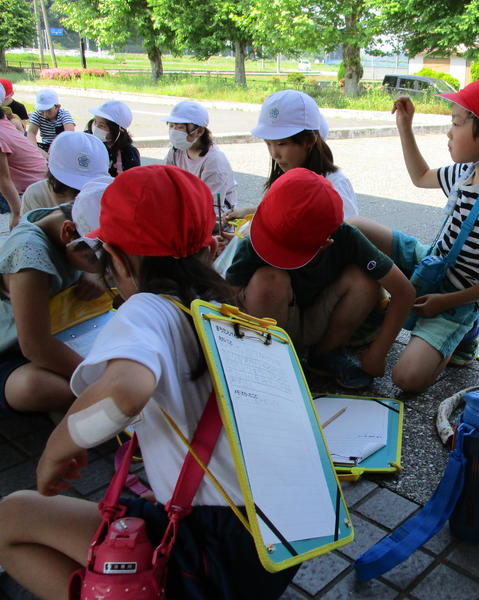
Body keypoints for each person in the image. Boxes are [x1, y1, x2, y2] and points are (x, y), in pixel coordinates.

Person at [0, 165, 298, 599]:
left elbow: (125, 392)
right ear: (208, 249)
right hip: (279, 543)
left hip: (211, 548)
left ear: (116, 259)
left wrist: (57, 448)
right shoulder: (230, 314)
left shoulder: (146, 309)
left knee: (12, 518)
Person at [349, 76, 479, 393]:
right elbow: (421, 176)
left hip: (459, 296)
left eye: (457, 124)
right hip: (431, 261)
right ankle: (374, 306)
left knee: (406, 378)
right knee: (354, 227)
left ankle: (464, 332)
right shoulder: (465, 171)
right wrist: (405, 127)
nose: (449, 132)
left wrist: (447, 301)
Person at [226, 168, 414, 389]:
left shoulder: (346, 237)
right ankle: (271, 361)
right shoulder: (255, 240)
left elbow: (404, 291)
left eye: (285, 250)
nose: (272, 248)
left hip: (318, 322)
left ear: (326, 242)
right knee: (268, 280)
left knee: (365, 279)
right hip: (273, 328)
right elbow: (227, 297)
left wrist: (377, 354)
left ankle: (326, 354)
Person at [0, 176, 109, 415]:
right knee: (39, 388)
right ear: (68, 233)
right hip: (12, 350)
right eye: (98, 261)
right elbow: (35, 346)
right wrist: (102, 383)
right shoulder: (29, 256)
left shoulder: (69, 215)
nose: (104, 269)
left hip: (63, 330)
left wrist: (93, 274)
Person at [225, 89, 358, 221]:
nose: (274, 154)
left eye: (282, 144)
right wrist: (250, 213)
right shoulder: (286, 177)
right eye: (268, 143)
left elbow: (344, 230)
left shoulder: (335, 187)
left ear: (309, 140)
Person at [163, 100, 237, 222]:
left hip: (212, 220)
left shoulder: (214, 161)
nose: (174, 131)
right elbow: (165, 183)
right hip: (184, 212)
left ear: (199, 131)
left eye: (180, 127)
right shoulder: (176, 151)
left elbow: (208, 207)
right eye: (171, 126)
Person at [20, 130, 110, 213]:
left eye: (82, 192)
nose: (71, 201)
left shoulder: (109, 196)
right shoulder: (35, 195)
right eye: (62, 193)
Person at [0, 88, 47, 228]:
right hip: (39, 184)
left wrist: (17, 214)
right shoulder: (4, 120)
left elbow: (3, 178)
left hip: (31, 193)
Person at [85, 99, 140, 177]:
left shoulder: (128, 154)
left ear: (119, 130)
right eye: (95, 122)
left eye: (102, 125)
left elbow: (132, 180)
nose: (95, 128)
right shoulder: (85, 140)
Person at [27, 88, 75, 153]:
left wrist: (53, 150)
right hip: (45, 146)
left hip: (62, 146)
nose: (45, 115)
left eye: (48, 110)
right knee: (25, 138)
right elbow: (31, 133)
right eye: (42, 111)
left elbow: (69, 134)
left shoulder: (63, 114)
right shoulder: (37, 114)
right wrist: (38, 150)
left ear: (57, 107)